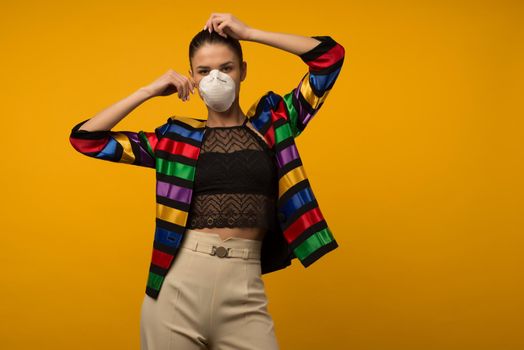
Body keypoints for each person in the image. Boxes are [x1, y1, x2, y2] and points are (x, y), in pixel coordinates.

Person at [69, 12, 345, 350]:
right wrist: (148, 90)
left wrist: (250, 32)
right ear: (192, 78)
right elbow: (87, 140)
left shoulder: (274, 122)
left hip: (245, 290)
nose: (216, 78)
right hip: (177, 290)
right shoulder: (174, 140)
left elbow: (329, 58)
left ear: (243, 70)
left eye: (226, 68)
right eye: (204, 71)